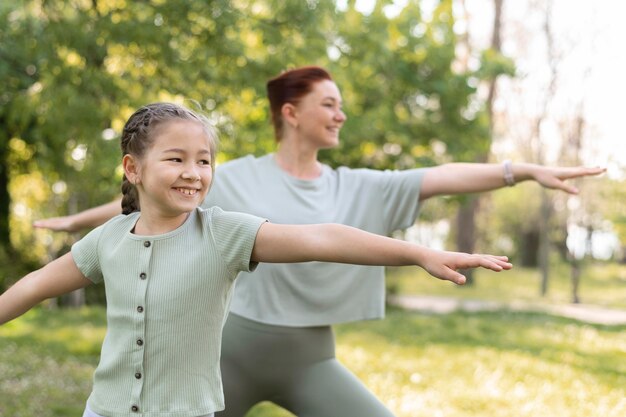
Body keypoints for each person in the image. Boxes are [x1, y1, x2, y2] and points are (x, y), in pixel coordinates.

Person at [33, 67, 604, 417]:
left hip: (309, 357)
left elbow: (441, 178)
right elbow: (139, 204)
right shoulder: (229, 176)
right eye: (328, 103)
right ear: (291, 112)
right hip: (229, 355)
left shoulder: (357, 186)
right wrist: (72, 226)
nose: (341, 113)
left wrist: (521, 170)